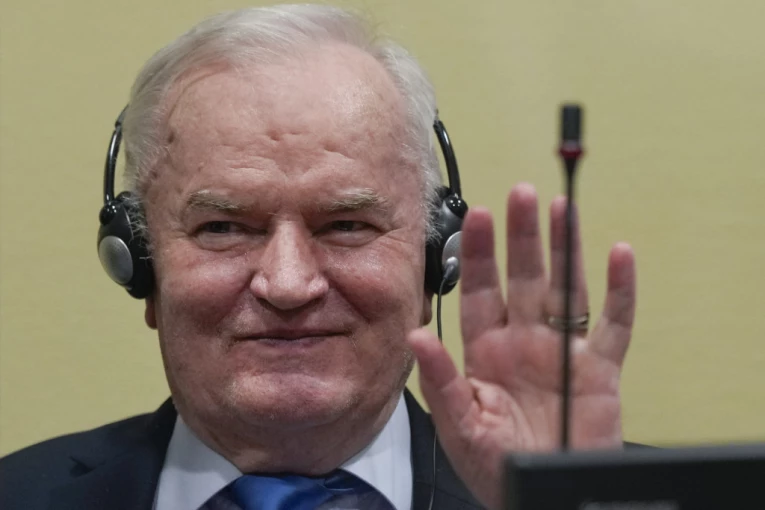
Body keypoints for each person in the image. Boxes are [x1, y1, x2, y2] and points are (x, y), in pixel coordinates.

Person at [0, 4, 637, 510]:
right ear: (142, 264)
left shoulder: (586, 497)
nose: (288, 284)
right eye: (223, 228)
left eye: (347, 225)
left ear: (433, 260)